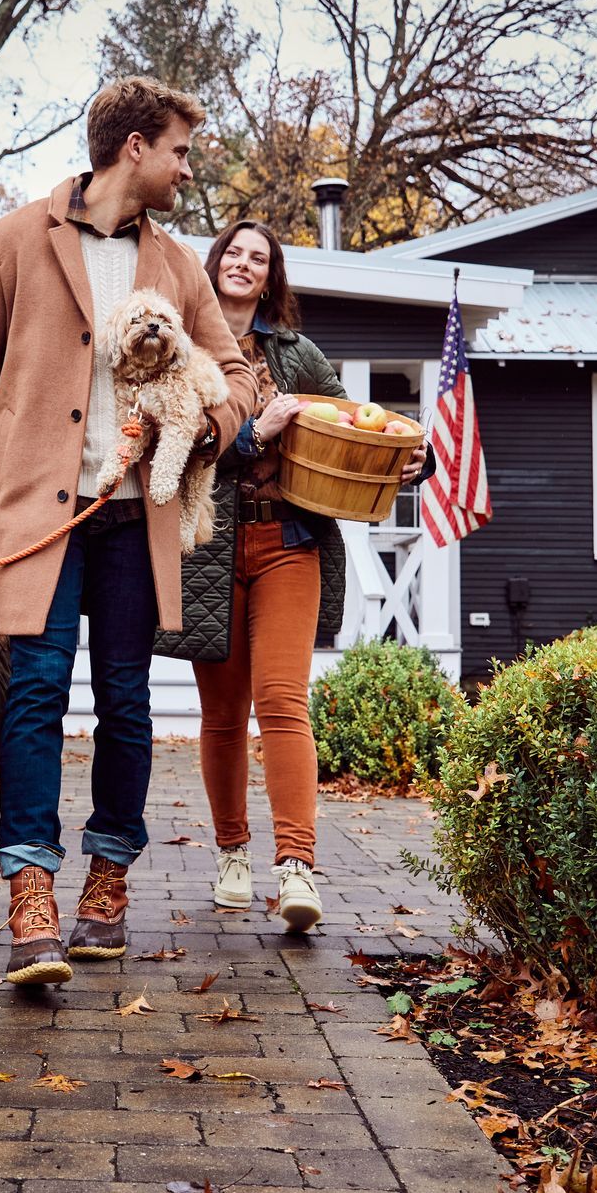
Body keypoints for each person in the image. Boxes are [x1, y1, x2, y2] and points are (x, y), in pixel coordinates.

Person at [0, 78, 257, 986]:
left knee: (127, 700)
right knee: (33, 695)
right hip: (40, 515)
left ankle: (109, 879)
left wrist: (201, 431)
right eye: (179, 150)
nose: (188, 168)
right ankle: (31, 893)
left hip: (137, 518)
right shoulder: (13, 242)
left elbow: (238, 376)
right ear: (134, 148)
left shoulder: (178, 265)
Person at [162, 219, 430, 932]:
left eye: (260, 257)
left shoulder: (297, 356)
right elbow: (175, 447)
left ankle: (297, 868)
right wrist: (255, 434)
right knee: (222, 716)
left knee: (283, 701)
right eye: (235, 253)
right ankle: (231, 856)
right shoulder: (182, 354)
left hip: (289, 542)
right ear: (213, 266)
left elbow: (355, 421)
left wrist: (410, 458)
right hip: (211, 549)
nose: (245, 263)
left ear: (271, 277)